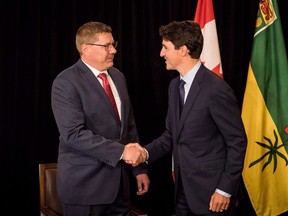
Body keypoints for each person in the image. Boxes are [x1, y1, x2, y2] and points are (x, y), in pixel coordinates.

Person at [133, 20, 247, 215]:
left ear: (183, 50)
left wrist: (224, 189)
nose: (161, 54)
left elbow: (237, 142)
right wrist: (144, 153)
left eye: (165, 47)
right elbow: (171, 135)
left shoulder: (216, 89)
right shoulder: (174, 86)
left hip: (213, 195)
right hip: (183, 193)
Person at [51, 21, 149, 216]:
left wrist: (139, 169)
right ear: (86, 49)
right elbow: (73, 134)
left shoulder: (118, 77)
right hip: (85, 189)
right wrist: (122, 152)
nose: (113, 50)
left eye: (114, 44)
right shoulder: (65, 82)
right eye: (107, 46)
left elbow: (128, 128)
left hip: (120, 189)